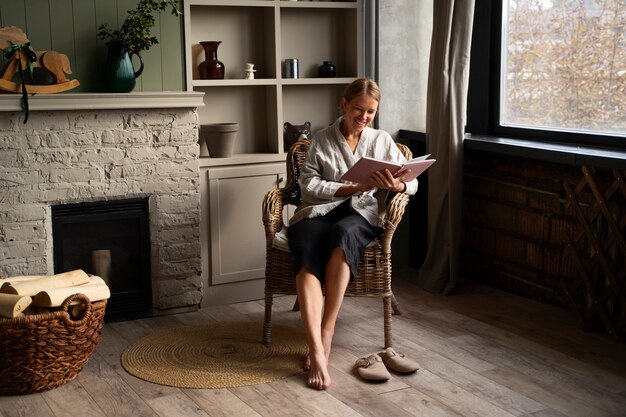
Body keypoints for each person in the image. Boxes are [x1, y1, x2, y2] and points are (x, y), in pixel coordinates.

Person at [286, 78, 418, 390]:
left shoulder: (382, 140)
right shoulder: (321, 139)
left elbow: (410, 183)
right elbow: (308, 185)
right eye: (358, 109)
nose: (364, 116)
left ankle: (327, 331)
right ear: (344, 103)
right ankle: (315, 348)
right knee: (305, 252)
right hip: (318, 212)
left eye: (370, 112)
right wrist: (350, 186)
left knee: (344, 237)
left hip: (361, 214)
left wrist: (396, 185)